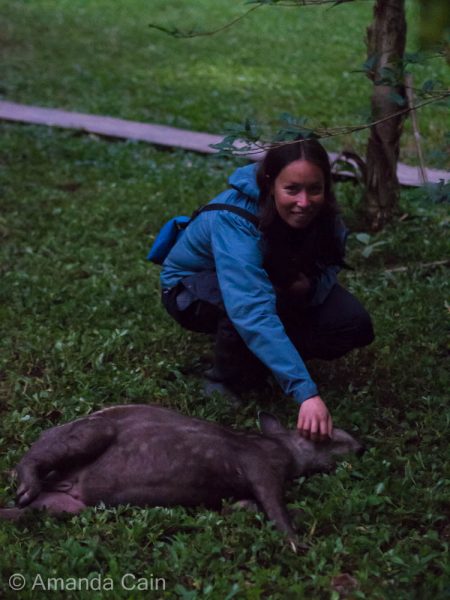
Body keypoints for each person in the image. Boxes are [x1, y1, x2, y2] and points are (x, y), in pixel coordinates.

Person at [160, 137, 374, 441]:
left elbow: (330, 263)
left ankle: (264, 356)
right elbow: (250, 308)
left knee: (353, 323)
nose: (304, 201)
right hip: (193, 286)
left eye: (315, 189)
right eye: (292, 190)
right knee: (246, 309)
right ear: (270, 183)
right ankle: (223, 379)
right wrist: (306, 393)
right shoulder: (234, 219)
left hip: (271, 284)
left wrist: (310, 286)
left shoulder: (324, 211)